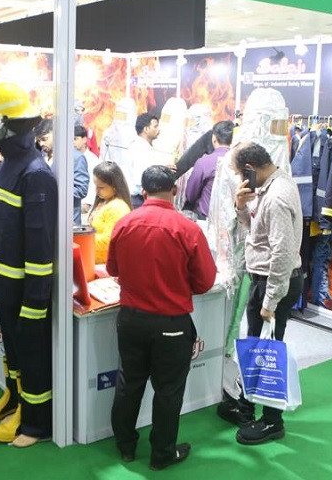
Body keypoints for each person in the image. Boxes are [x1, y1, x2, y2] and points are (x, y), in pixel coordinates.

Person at [107, 165, 215, 470]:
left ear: (143, 191)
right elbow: (205, 282)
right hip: (171, 323)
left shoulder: (125, 223)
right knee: (168, 391)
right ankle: (162, 454)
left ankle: (125, 446)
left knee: (129, 383)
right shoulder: (187, 229)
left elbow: (113, 268)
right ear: (175, 190)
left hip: (131, 318)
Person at [0, 82, 57, 447]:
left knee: (32, 354)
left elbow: (40, 244)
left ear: (12, 127)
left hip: (25, 288)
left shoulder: (35, 173)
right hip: (5, 282)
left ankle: (36, 421)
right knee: (13, 348)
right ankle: (14, 398)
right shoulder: (10, 165)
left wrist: (36, 300)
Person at [218, 143, 303, 444]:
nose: (240, 179)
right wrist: (241, 206)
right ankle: (246, 407)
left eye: (240, 173)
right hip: (263, 279)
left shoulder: (277, 195)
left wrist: (271, 299)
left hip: (274, 282)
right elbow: (256, 233)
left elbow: (282, 252)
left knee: (269, 354)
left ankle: (272, 421)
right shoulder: (269, 188)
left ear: (250, 169)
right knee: (256, 349)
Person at [35, 118, 89, 224]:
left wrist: (52, 189)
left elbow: (81, 190)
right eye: (38, 140)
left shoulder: (75, 157)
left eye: (44, 139)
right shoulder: (39, 156)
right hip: (46, 219)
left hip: (67, 221)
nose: (41, 143)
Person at [184, 121, 234, 220]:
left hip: (206, 219)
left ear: (214, 138)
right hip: (232, 219)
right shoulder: (239, 162)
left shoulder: (204, 162)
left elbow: (190, 195)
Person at [87, 161, 131, 264]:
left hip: (105, 265)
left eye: (101, 187)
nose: (96, 190)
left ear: (115, 187)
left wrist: (82, 237)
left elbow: (108, 240)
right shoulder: (104, 201)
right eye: (95, 186)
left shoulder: (117, 207)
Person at [127, 113, 160, 208]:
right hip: (139, 199)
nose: (158, 129)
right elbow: (140, 178)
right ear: (146, 129)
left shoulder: (143, 146)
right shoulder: (140, 148)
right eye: (155, 126)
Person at [74, 125, 100, 215]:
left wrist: (88, 203)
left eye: (75, 139)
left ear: (84, 139)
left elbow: (94, 183)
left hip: (85, 206)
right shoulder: (69, 157)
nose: (72, 142)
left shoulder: (93, 160)